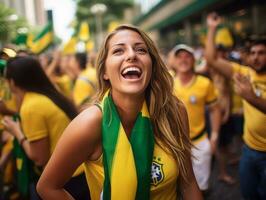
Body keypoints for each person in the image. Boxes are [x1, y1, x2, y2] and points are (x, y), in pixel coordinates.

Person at [37, 24, 203, 200]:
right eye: (118, 51)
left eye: (140, 50)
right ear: (104, 72)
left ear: (152, 65)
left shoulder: (174, 111)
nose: (131, 55)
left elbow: (188, 182)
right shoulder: (90, 123)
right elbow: (47, 187)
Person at [2, 56, 90, 199]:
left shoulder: (31, 106)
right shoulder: (45, 96)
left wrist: (16, 131)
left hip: (65, 180)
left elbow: (39, 158)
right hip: (77, 172)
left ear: (12, 82)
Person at [206, 13, 266, 199]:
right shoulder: (244, 72)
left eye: (262, 53)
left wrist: (251, 97)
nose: (256, 57)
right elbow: (211, 59)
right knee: (248, 194)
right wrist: (212, 28)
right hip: (249, 150)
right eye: (253, 53)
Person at [172, 44, 221, 193]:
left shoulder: (205, 83)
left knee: (201, 188)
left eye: (187, 56)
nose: (183, 60)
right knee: (175, 187)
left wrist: (214, 137)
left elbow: (215, 110)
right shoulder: (167, 82)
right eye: (179, 56)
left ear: (194, 60)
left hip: (199, 143)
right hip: (174, 144)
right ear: (174, 61)